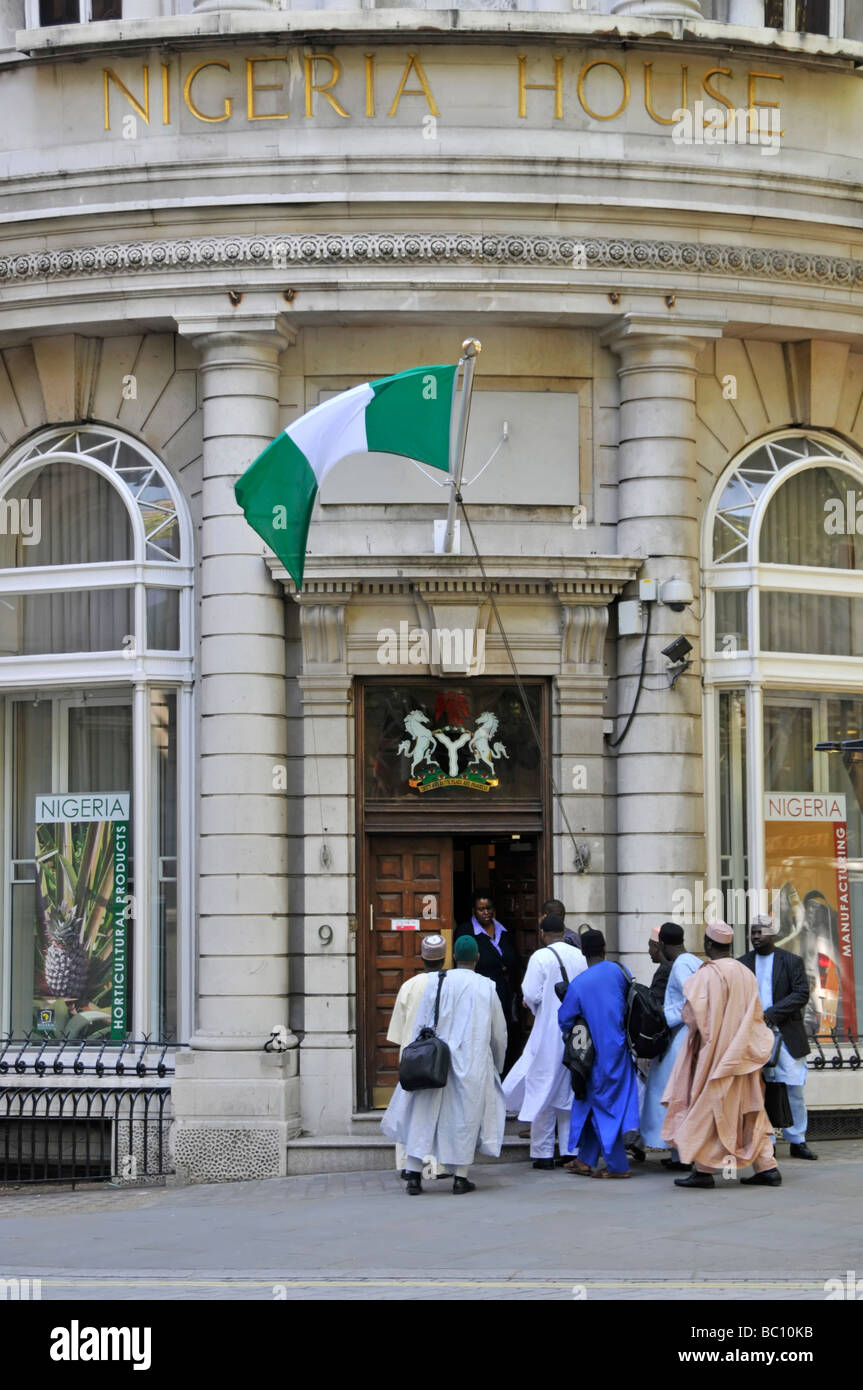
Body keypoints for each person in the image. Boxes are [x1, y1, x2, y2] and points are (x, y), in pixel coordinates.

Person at [381, 933, 507, 1196]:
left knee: (423, 1115)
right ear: (477, 958)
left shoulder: (438, 980)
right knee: (465, 1118)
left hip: (438, 1059)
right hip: (472, 1061)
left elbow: (422, 1022)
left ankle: (414, 1175)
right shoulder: (487, 986)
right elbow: (499, 1033)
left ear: (454, 958)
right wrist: (497, 1062)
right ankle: (460, 1178)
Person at [662, 920, 781, 1190]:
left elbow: (692, 1017)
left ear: (707, 944)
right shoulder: (745, 972)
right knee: (751, 1110)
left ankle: (703, 1170)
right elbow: (756, 1014)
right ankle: (767, 1166)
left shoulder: (705, 975)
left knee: (709, 1109)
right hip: (745, 1057)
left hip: (714, 1057)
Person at [502, 913, 587, 1169]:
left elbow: (530, 993)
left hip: (548, 1032)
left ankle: (543, 1153)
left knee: (541, 1088)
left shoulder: (540, 957)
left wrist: (536, 1004)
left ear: (542, 934)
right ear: (564, 931)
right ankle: (571, 1150)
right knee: (569, 1091)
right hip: (574, 1033)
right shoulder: (579, 956)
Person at [557, 929, 640, 1180]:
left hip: (593, 1057)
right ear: (605, 948)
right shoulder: (618, 971)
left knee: (603, 1106)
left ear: (583, 952)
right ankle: (584, 1159)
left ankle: (617, 1165)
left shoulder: (579, 984)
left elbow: (564, 1019)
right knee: (592, 1103)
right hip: (620, 1051)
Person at [739, 914, 817, 1161]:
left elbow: (801, 994)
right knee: (760, 1089)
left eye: (760, 932)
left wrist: (771, 1014)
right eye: (753, 932)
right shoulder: (743, 963)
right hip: (754, 1035)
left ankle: (797, 1140)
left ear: (774, 935)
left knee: (794, 1087)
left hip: (786, 1034)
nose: (756, 937)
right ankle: (767, 1141)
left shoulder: (791, 961)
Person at [386, 933, 449, 1180]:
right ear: (444, 959)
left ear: (422, 958)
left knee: (409, 1109)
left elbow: (398, 1032)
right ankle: (437, 1166)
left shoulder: (408, 986)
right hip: (439, 1059)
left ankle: (406, 1163)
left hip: (412, 1058)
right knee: (439, 1109)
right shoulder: (450, 985)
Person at [639, 922, 701, 1168]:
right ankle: (679, 1154)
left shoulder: (680, 966)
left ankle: (684, 1155)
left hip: (681, 1037)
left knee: (672, 1097)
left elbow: (693, 999)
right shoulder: (693, 961)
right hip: (685, 1035)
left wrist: (665, 1012)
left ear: (662, 944)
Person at [456, 889, 522, 1072]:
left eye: (488, 908)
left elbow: (514, 960)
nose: (485, 912)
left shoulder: (505, 930)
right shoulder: (466, 932)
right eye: (480, 909)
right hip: (481, 996)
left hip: (506, 995)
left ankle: (504, 1075)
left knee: (505, 1036)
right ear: (473, 911)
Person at [648, 925, 673, 1008]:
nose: (649, 951)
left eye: (650, 946)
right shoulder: (675, 965)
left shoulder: (664, 970)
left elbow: (654, 1003)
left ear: (656, 946)